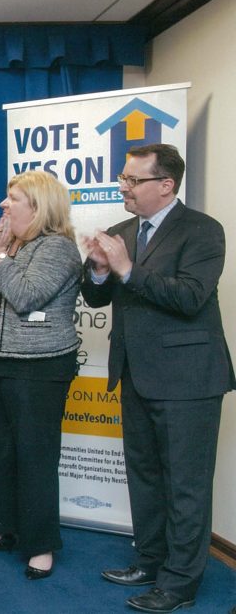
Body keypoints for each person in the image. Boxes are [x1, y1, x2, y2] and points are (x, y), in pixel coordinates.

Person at [80, 144, 233, 613]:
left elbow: (189, 298)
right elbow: (96, 297)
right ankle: (149, 561)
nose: (122, 186)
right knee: (144, 476)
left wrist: (126, 268)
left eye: (132, 180)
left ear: (165, 185)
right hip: (135, 374)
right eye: (123, 178)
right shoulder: (123, 231)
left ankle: (180, 584)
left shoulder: (203, 230)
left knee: (185, 485)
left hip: (189, 381)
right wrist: (102, 272)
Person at [0, 170, 81, 580]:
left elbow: (26, 296)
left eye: (13, 199)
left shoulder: (58, 248)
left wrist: (1, 257)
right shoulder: (5, 245)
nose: (4, 205)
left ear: (38, 206)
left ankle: (40, 544)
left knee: (35, 457)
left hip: (38, 369)